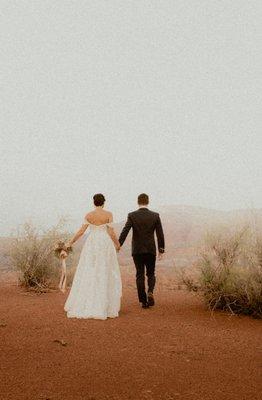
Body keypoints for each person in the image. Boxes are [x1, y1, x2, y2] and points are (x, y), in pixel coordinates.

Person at [63, 193, 122, 320]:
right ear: (104, 202)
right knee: (105, 270)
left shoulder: (89, 215)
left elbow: (81, 232)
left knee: (89, 269)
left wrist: (70, 243)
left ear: (94, 202)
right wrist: (117, 244)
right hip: (105, 243)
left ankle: (87, 301)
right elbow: (111, 232)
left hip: (92, 243)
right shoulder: (108, 214)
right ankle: (104, 305)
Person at [119, 193, 165, 309]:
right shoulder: (155, 216)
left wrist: (118, 244)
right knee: (151, 273)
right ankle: (150, 291)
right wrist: (161, 249)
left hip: (137, 250)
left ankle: (143, 301)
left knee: (139, 274)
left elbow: (125, 230)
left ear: (138, 202)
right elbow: (160, 233)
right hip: (150, 249)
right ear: (148, 201)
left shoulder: (132, 215)